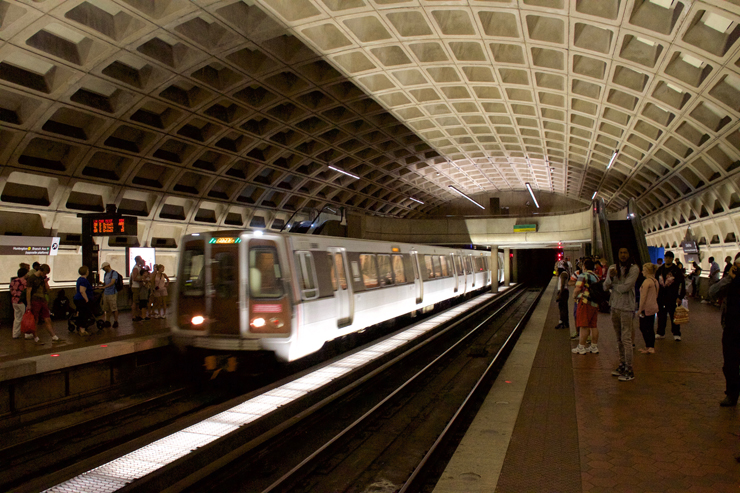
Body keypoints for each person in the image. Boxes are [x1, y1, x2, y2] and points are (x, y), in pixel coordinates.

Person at [604, 247, 640, 381]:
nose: (623, 255)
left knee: (626, 339)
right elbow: (605, 286)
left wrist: (613, 286)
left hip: (626, 307)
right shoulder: (613, 268)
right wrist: (611, 278)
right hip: (614, 306)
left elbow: (627, 287)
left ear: (629, 254)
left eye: (625, 252)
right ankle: (622, 364)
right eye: (620, 253)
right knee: (618, 338)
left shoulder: (634, 269)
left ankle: (629, 369)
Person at [709, 252, 740, 406]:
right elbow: (712, 292)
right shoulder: (730, 281)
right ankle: (732, 393)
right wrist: (729, 277)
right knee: (730, 364)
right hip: (731, 328)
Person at [655, 251, 686, 341]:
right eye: (666, 257)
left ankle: (676, 333)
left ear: (672, 259)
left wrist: (680, 296)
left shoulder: (676, 270)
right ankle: (660, 332)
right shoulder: (660, 270)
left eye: (669, 258)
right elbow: (656, 282)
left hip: (673, 297)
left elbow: (681, 284)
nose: (667, 259)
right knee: (661, 315)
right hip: (661, 297)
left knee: (674, 316)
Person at [25, 264, 60, 343]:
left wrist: (45, 282)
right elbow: (28, 291)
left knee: (47, 318)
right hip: (35, 300)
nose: (45, 275)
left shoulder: (42, 278)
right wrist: (29, 303)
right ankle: (36, 337)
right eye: (44, 273)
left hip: (42, 300)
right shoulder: (32, 278)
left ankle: (53, 336)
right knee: (35, 319)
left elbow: (47, 289)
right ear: (41, 271)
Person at [572, 259, 600, 355]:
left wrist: (574, 297)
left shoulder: (583, 275)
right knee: (593, 325)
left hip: (585, 302)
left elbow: (578, 288)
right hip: (595, 303)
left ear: (584, 266)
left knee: (583, 325)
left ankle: (581, 347)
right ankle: (594, 346)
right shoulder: (596, 277)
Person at [637, 263, 660, 354]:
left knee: (643, 327)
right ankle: (651, 346)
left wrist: (640, 309)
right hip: (653, 306)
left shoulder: (646, 282)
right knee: (650, 327)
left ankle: (649, 346)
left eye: (643, 270)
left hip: (646, 308)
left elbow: (643, 297)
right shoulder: (655, 281)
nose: (642, 271)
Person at [73, 266, 93, 336]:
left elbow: (76, 289)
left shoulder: (79, 279)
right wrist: (86, 299)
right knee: (84, 314)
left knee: (79, 313)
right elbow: (82, 290)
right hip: (82, 299)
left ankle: (79, 327)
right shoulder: (84, 280)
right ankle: (82, 330)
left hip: (77, 298)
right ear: (86, 271)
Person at [10, 267, 28, 339]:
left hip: (14, 300)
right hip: (22, 301)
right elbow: (26, 290)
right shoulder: (24, 281)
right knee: (26, 317)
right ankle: (27, 334)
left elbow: (11, 289)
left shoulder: (13, 281)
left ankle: (15, 334)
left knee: (17, 318)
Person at [100, 262, 119, 328]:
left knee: (114, 308)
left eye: (104, 268)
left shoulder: (114, 273)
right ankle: (107, 321)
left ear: (108, 266)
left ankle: (115, 321)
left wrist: (104, 287)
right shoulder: (106, 274)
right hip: (106, 293)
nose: (103, 269)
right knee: (106, 308)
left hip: (112, 293)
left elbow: (112, 282)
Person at [130, 255, 145, 322]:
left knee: (137, 302)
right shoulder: (135, 268)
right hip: (136, 287)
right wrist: (141, 279)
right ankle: (134, 316)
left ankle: (137, 315)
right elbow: (134, 278)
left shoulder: (138, 268)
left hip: (138, 287)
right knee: (135, 302)